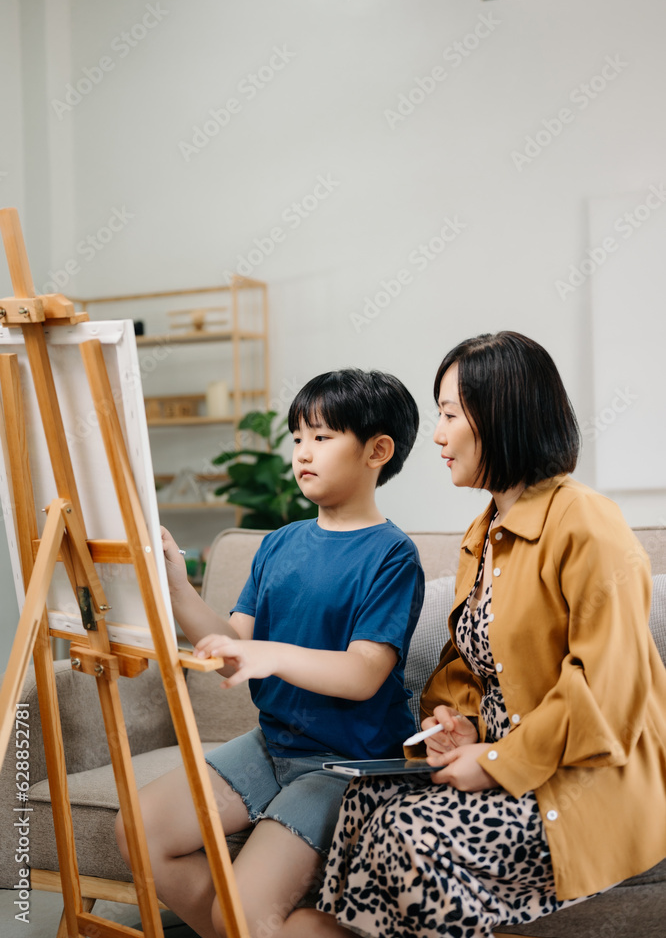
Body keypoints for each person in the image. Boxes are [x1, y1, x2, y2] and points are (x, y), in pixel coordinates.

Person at [282, 331, 666, 938]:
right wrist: (454, 726)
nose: (436, 434)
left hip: (581, 779)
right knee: (364, 803)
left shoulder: (586, 521)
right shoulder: (483, 531)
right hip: (510, 762)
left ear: (500, 415)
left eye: (449, 413)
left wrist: (495, 759)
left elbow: (607, 690)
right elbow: (471, 672)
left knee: (408, 833)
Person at [115, 368, 425, 938]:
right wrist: (179, 587)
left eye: (323, 437)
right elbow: (235, 645)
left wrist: (272, 653)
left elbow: (363, 674)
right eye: (298, 437)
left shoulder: (392, 555)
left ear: (377, 450)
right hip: (273, 743)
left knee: (245, 911)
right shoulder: (278, 544)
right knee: (139, 829)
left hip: (348, 767)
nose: (303, 452)